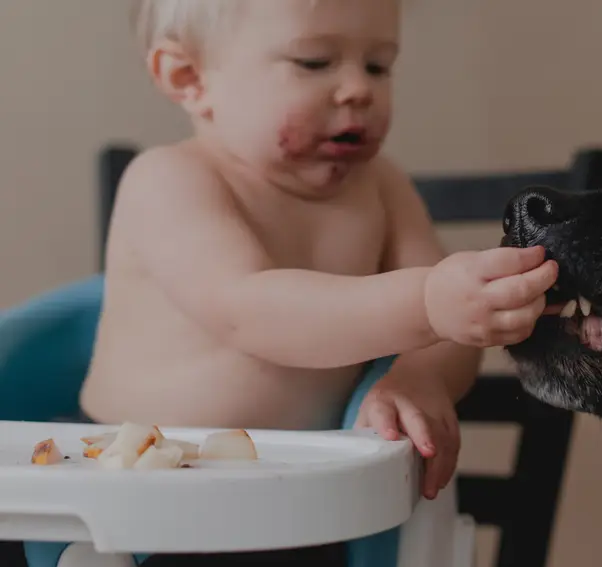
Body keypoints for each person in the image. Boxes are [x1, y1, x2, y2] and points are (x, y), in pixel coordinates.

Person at [23, 1, 559, 565]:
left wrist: (421, 377)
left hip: (305, 510)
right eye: (313, 61)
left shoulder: (382, 187)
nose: (357, 88)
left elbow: (451, 328)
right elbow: (249, 309)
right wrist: (427, 302)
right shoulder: (169, 181)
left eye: (378, 66)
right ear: (190, 78)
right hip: (131, 504)